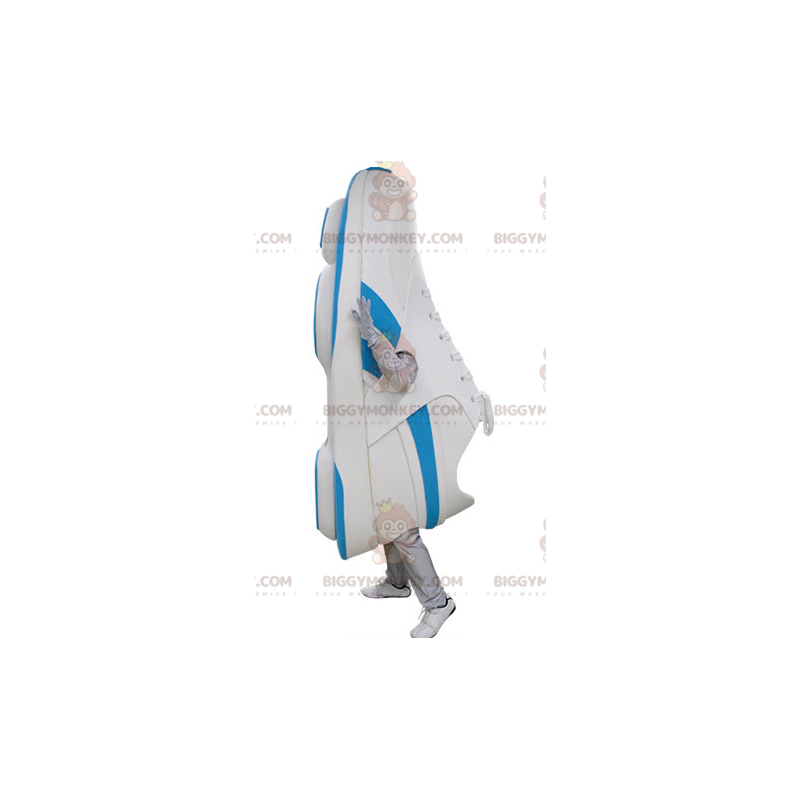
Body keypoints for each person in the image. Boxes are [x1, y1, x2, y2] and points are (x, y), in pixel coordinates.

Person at [351, 297, 456, 638]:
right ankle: (397, 583)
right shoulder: (380, 338)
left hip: (406, 445)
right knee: (385, 518)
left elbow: (401, 379)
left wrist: (372, 335)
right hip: (381, 444)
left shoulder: (407, 341)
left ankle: (439, 603)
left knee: (403, 530)